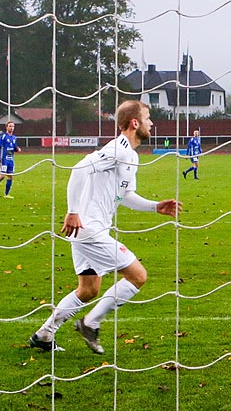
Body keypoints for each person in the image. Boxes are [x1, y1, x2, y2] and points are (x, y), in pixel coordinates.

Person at [29, 100, 181, 353]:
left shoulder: (130, 156)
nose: (152, 122)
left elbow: (127, 196)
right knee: (138, 276)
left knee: (88, 289)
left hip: (87, 229)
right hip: (89, 229)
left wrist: (156, 206)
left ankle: (44, 334)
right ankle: (91, 323)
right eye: (148, 117)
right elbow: (78, 170)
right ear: (135, 123)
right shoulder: (118, 150)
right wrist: (73, 211)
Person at [0, 122, 20, 197]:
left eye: (13, 126)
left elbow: (14, 148)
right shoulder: (3, 136)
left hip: (11, 159)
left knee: (10, 176)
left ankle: (6, 194)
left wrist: (17, 149)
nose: (11, 128)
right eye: (10, 126)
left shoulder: (14, 137)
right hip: (4, 159)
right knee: (2, 176)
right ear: (6, 127)